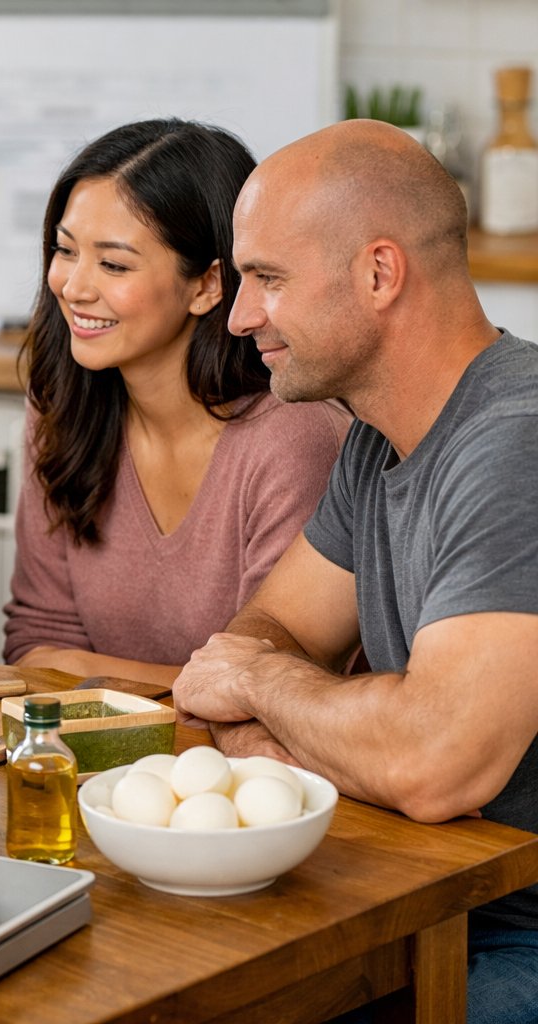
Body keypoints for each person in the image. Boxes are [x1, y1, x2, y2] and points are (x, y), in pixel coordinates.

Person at [170, 119, 538, 1023]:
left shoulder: (515, 440)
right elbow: (257, 638)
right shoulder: (378, 440)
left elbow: (433, 762)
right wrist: (280, 705)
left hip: (513, 933)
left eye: (268, 279)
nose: (238, 314)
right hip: (426, 895)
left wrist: (265, 690)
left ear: (380, 273)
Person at [2, 120, 349, 687]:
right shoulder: (62, 403)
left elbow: (272, 682)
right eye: (66, 251)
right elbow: (37, 643)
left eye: (114, 264)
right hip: (94, 759)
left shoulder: (294, 438)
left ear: (209, 285)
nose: (73, 286)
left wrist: (86, 669)